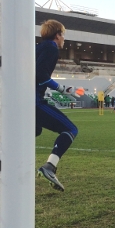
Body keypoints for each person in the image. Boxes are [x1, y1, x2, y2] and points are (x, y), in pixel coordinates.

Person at [36, 19, 79, 192]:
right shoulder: (51, 48)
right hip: (34, 100)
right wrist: (62, 89)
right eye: (63, 35)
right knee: (71, 129)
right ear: (57, 35)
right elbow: (40, 75)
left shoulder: (38, 47)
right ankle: (50, 166)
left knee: (35, 130)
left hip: (23, 98)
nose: (64, 39)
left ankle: (5, 161)